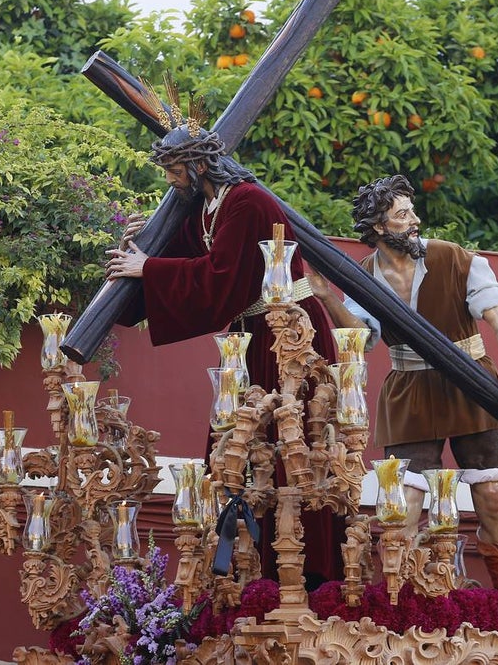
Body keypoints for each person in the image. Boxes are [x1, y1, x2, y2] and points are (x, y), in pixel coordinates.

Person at [105, 112, 342, 585]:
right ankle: (247, 570)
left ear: (200, 165)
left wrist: (148, 269)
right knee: (241, 443)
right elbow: (189, 257)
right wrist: (142, 244)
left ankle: (304, 573)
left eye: (175, 169)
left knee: (288, 444)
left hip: (289, 333)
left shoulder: (249, 201)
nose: (170, 179)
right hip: (252, 334)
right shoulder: (210, 207)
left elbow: (221, 279)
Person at [308, 174, 498, 590]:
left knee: (492, 498)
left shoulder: (454, 258)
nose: (414, 220)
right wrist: (327, 298)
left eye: (412, 211)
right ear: (378, 228)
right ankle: (404, 598)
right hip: (409, 388)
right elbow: (361, 338)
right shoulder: (365, 274)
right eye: (401, 215)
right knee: (406, 503)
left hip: (471, 383)